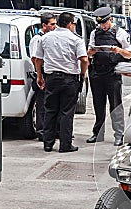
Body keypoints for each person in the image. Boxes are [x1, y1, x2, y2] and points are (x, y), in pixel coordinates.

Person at [35, 12, 88, 153]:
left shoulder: (45, 38)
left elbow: (38, 59)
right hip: (69, 79)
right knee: (66, 112)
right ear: (70, 24)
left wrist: (39, 76)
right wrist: (82, 74)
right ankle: (65, 145)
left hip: (51, 78)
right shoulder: (76, 39)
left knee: (50, 110)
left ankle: (48, 143)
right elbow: (84, 59)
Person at [86, 7, 131, 146]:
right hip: (97, 72)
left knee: (115, 105)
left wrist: (118, 50)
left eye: (104, 23)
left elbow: (129, 55)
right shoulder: (95, 33)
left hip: (112, 73)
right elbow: (88, 53)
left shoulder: (120, 33)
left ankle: (119, 135)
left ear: (110, 19)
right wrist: (92, 51)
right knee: (98, 105)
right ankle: (98, 133)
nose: (103, 26)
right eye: (100, 24)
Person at [29, 12, 57, 141]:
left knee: (50, 104)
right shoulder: (38, 39)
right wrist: (40, 75)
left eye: (55, 24)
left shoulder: (49, 37)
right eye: (52, 24)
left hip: (49, 73)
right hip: (42, 74)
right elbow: (35, 59)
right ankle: (41, 131)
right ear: (44, 25)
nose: (54, 26)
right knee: (42, 105)